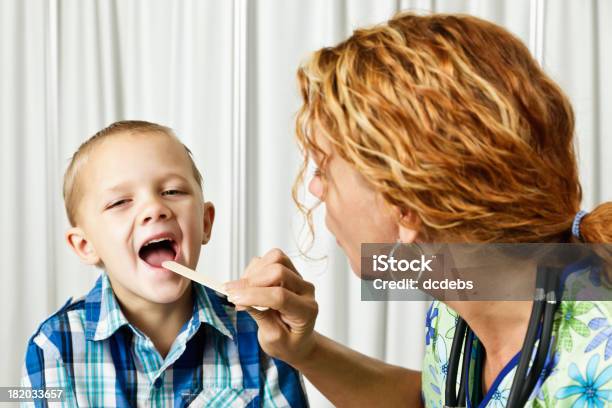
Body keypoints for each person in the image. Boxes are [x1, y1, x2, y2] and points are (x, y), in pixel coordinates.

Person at [224, 13, 612, 407]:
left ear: (406, 206)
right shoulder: (459, 287)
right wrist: (303, 349)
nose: (315, 187)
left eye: (325, 168)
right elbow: (434, 400)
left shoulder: (600, 367)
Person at [21, 121, 308, 407]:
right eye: (120, 202)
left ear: (205, 222)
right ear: (86, 245)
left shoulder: (262, 337)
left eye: (172, 191)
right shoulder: (54, 347)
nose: (155, 209)